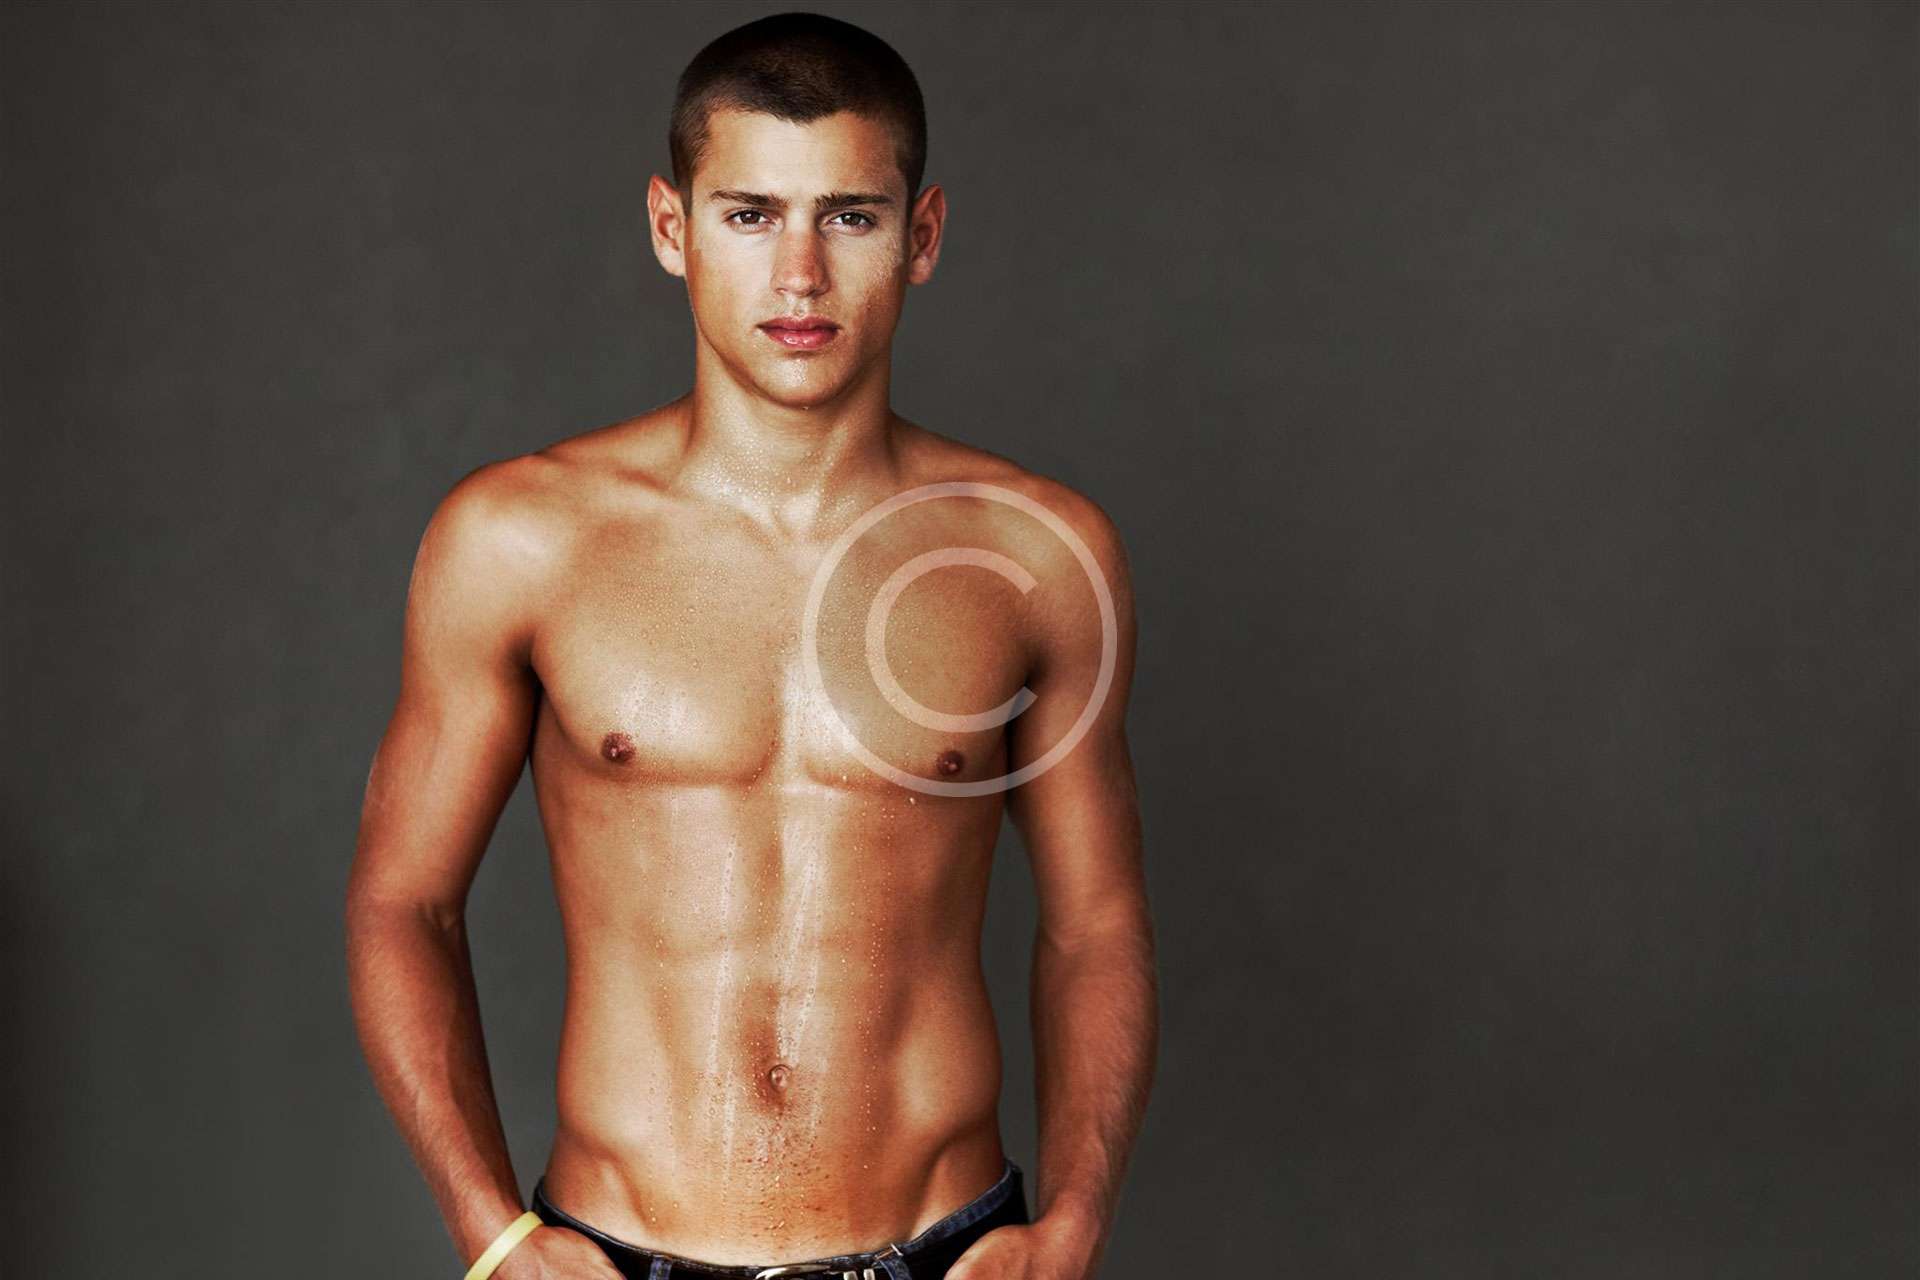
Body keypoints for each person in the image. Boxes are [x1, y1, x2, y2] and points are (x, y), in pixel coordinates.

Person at [345, 12, 1156, 1280]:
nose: (799, 276)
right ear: (671, 227)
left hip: (948, 1247)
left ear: (922, 234)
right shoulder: (522, 539)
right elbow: (404, 900)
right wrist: (491, 1236)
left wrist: (1078, 1220)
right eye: (750, 215)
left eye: (849, 217)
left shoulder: (1038, 553)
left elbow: (1095, 923)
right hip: (616, 1250)